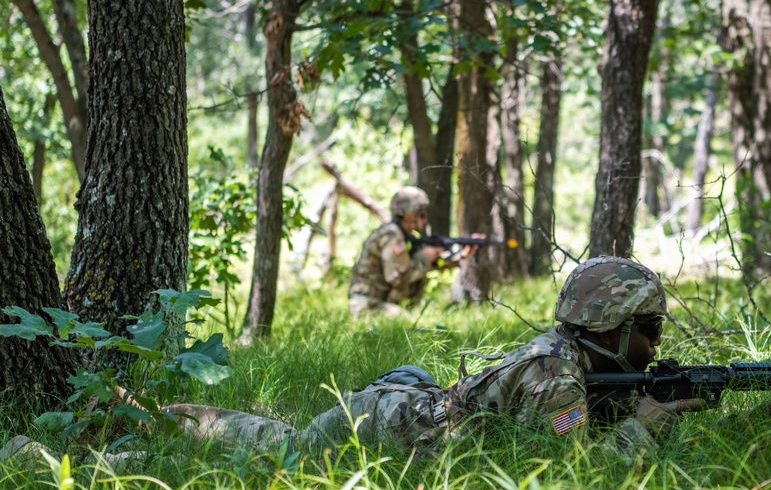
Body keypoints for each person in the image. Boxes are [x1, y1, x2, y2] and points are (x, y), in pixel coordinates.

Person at [162, 256, 705, 459]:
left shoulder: (583, 360)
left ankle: (181, 418)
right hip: (389, 423)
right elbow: (576, 472)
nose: (656, 344)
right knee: (281, 450)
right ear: (613, 327)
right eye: (650, 329)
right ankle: (151, 436)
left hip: (416, 406)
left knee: (279, 439)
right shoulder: (555, 371)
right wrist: (644, 425)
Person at [348, 186, 475, 318]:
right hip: (368, 305)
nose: (425, 219)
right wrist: (425, 257)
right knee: (407, 324)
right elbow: (397, 277)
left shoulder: (406, 236)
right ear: (408, 215)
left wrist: (460, 256)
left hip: (383, 303)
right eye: (421, 214)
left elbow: (427, 264)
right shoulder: (392, 236)